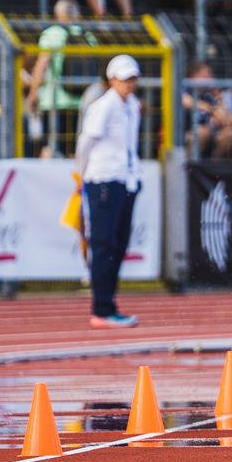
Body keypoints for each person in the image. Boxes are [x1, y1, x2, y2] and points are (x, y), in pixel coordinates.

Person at [75, 54, 145, 328]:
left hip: (125, 180)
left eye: (132, 78)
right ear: (112, 79)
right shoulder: (103, 107)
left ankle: (108, 303)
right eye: (124, 78)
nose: (129, 84)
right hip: (103, 179)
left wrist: (135, 177)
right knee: (104, 245)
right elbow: (86, 142)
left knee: (118, 243)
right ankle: (102, 307)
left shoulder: (132, 107)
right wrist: (82, 174)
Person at [23, 0, 87, 156]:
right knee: (75, 150)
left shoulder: (52, 33)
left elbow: (42, 63)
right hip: (81, 100)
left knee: (50, 147)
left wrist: (33, 92)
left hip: (55, 100)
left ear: (57, 14)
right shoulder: (87, 35)